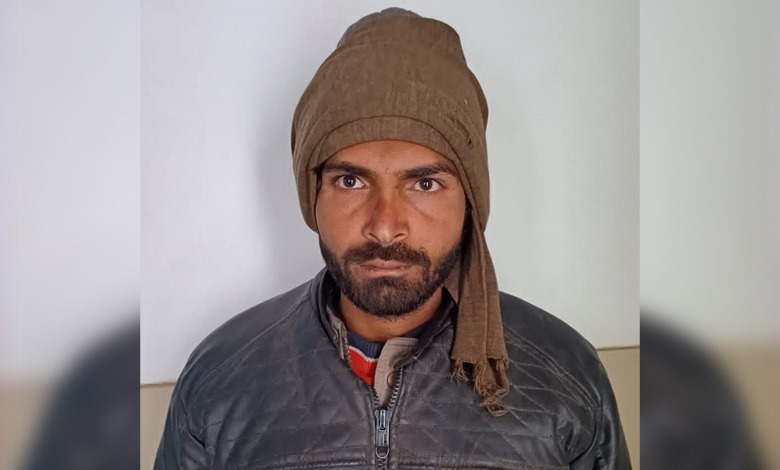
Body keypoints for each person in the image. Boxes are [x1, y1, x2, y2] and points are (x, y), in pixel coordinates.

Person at [154, 8, 631, 469]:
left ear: (470, 201)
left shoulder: (566, 377)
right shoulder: (221, 380)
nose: (384, 227)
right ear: (311, 195)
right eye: (351, 182)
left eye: (424, 184)